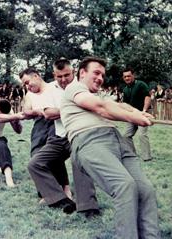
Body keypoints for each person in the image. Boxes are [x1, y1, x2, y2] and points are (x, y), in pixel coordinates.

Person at [61, 56, 159, 238]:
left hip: (117, 140)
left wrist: (139, 112)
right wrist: (133, 118)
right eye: (96, 73)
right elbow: (101, 108)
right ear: (82, 73)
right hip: (90, 141)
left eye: (103, 75)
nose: (100, 78)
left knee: (146, 189)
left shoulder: (96, 93)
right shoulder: (74, 88)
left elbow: (118, 105)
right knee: (125, 186)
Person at [26, 58, 100, 216]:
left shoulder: (83, 86)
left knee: (78, 161)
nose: (63, 79)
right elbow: (48, 113)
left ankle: (88, 206)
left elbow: (93, 107)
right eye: (59, 76)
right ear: (54, 74)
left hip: (78, 134)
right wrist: (74, 108)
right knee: (35, 164)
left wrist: (60, 110)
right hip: (58, 137)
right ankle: (60, 199)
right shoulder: (50, 89)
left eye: (67, 75)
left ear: (73, 71)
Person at [20, 67, 71, 202]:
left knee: (55, 156)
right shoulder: (29, 95)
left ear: (36, 76)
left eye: (27, 82)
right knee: (36, 155)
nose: (27, 86)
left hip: (56, 123)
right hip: (40, 125)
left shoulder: (53, 87)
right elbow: (26, 111)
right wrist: (38, 111)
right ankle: (47, 193)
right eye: (24, 84)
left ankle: (65, 189)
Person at [122, 67, 152, 161]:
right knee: (126, 136)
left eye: (129, 76)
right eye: (125, 77)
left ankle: (147, 157)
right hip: (132, 115)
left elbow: (147, 97)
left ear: (133, 76)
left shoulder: (141, 84)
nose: (127, 78)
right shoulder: (125, 89)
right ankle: (132, 154)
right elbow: (125, 104)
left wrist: (144, 110)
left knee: (142, 135)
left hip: (143, 113)